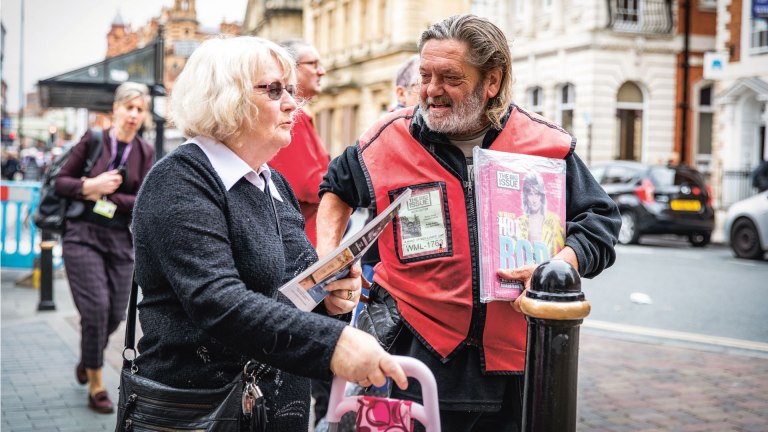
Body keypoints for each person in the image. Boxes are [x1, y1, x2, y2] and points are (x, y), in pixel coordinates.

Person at [316, 14, 621, 431]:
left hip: (514, 358)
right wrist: (330, 258)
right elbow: (335, 189)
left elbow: (600, 220)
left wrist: (559, 265)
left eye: (450, 78)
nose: (431, 91)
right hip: (410, 352)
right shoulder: (387, 138)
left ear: (491, 81)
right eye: (425, 75)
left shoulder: (544, 144)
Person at [129, 36, 407, 431]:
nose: (293, 103)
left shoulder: (271, 180)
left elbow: (295, 287)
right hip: (202, 413)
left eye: (290, 90)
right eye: (274, 90)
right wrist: (334, 344)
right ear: (225, 97)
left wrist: (331, 295)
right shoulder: (179, 181)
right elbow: (217, 303)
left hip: (273, 412)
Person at [53, 81, 155, 413]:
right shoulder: (94, 140)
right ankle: (96, 384)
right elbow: (61, 181)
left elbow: (142, 199)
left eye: (140, 109)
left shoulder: (145, 151)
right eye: (129, 107)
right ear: (115, 109)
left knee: (114, 314)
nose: (134, 115)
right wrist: (89, 185)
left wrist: (108, 195)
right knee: (95, 310)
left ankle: (87, 357)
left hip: (118, 240)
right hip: (82, 233)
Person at [269, 39, 330, 247]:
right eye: (313, 64)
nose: (321, 71)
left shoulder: (300, 116)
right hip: (303, 241)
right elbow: (309, 185)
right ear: (291, 70)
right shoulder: (293, 117)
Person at [517, 171, 565, 260]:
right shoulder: (520, 221)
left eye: (537, 194)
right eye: (531, 194)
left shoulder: (554, 220)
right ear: (526, 197)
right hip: (524, 268)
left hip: (549, 269)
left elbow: (564, 248)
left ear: (542, 196)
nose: (534, 200)